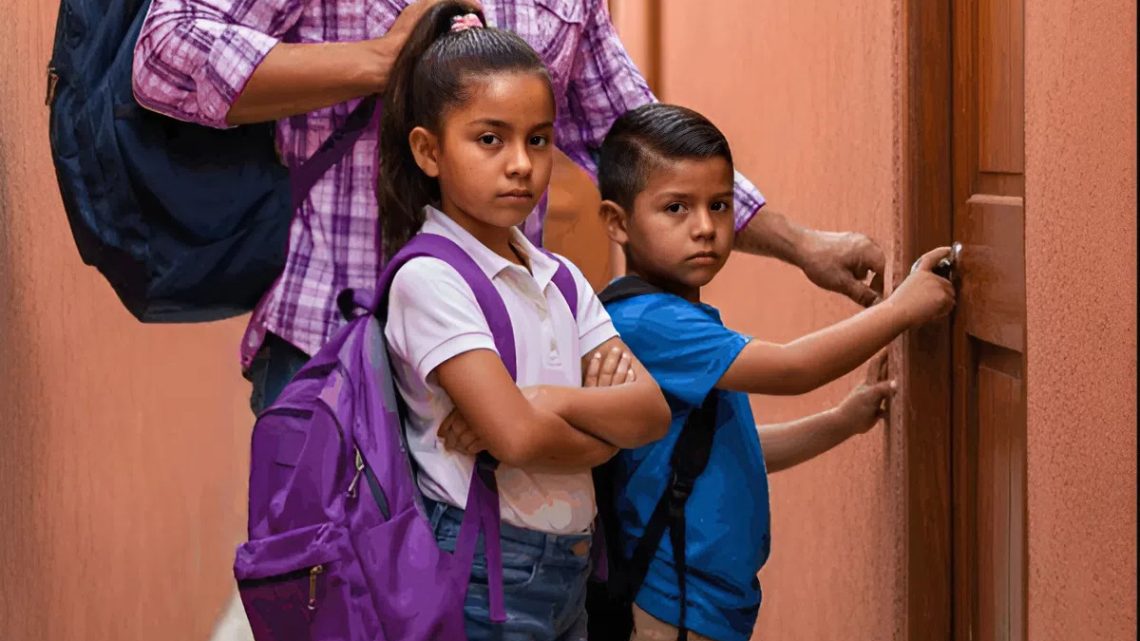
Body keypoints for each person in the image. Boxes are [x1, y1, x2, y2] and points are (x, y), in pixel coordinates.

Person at [132, 0, 889, 418]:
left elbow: (636, 139)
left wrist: (802, 244)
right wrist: (378, 63)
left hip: (498, 367)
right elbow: (163, 51)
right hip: (330, 348)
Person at [591, 103, 955, 641]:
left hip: (708, 604)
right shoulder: (650, 323)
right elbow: (793, 367)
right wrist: (902, 308)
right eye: (676, 208)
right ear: (618, 222)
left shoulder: (681, 319)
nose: (705, 228)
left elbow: (731, 452)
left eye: (718, 205)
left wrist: (840, 421)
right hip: (673, 608)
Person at [378, 6, 671, 639]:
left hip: (570, 569)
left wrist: (542, 400)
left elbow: (651, 412)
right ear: (429, 151)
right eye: (491, 139)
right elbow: (514, 440)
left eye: (537, 139)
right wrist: (601, 429)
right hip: (486, 575)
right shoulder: (430, 279)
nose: (520, 163)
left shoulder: (559, 277)